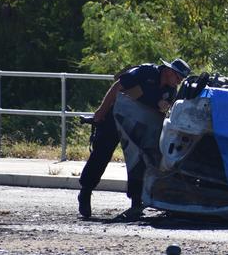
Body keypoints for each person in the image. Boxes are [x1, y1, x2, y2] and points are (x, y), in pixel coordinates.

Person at [78, 58, 191, 219]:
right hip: (114, 118)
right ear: (168, 71)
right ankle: (86, 191)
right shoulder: (145, 72)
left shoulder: (171, 91)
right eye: (178, 77)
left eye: (181, 79)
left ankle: (136, 204)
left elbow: (159, 117)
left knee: (140, 160)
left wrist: (163, 108)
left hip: (137, 128)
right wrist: (101, 112)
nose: (179, 81)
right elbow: (117, 86)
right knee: (101, 154)